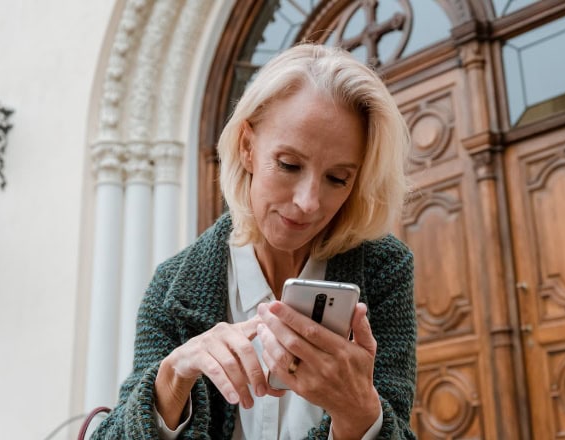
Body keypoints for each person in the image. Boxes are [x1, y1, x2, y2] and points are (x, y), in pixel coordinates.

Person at [92, 43, 416, 439]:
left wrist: (360, 414)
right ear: (247, 146)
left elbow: (397, 423)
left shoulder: (383, 269)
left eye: (337, 178)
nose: (308, 202)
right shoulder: (172, 286)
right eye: (289, 165)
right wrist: (173, 378)